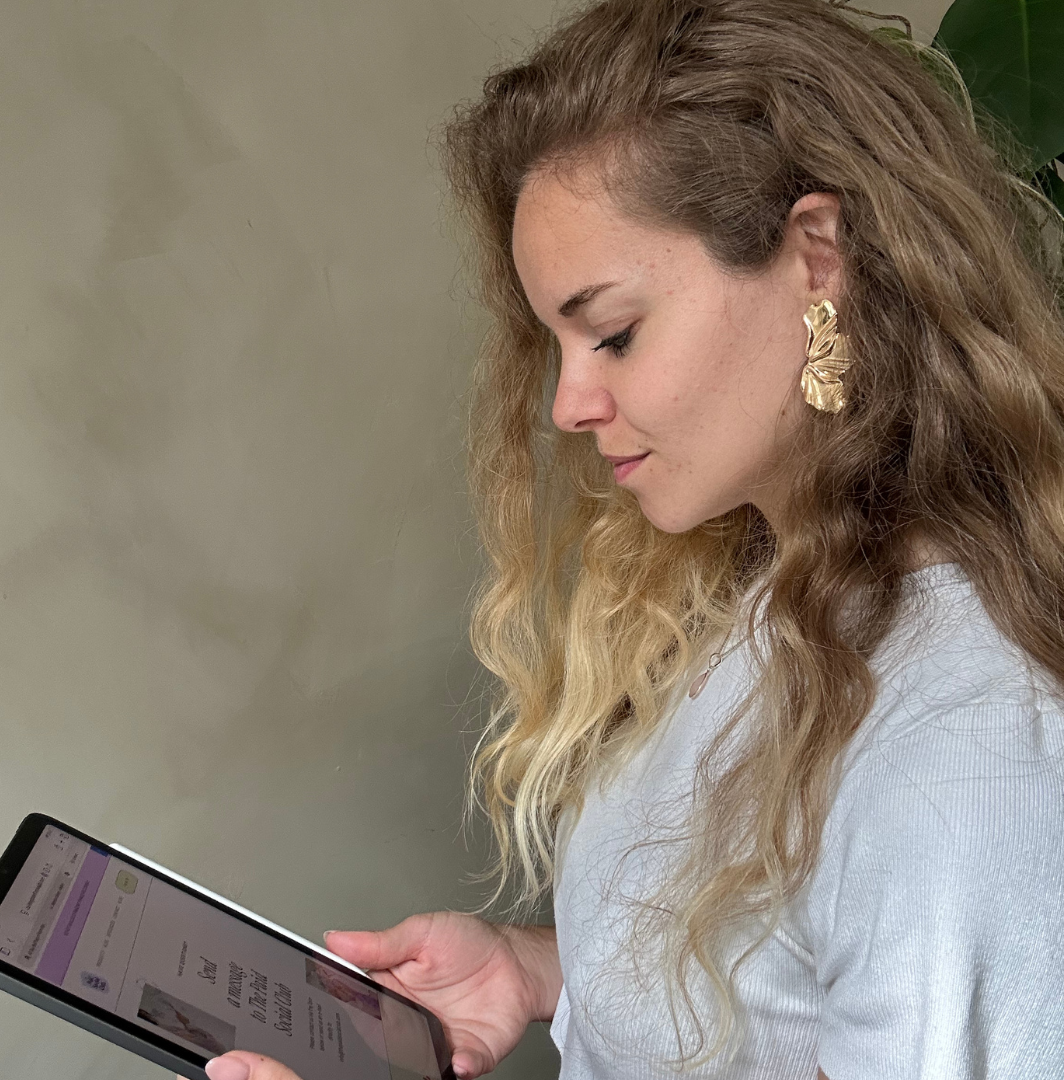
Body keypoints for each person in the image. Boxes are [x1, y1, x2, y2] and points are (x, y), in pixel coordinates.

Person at [182, 0, 1064, 1077]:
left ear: (817, 258)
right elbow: (785, 979)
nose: (568, 405)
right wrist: (543, 971)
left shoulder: (966, 749)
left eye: (613, 334)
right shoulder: (783, 580)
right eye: (558, 345)